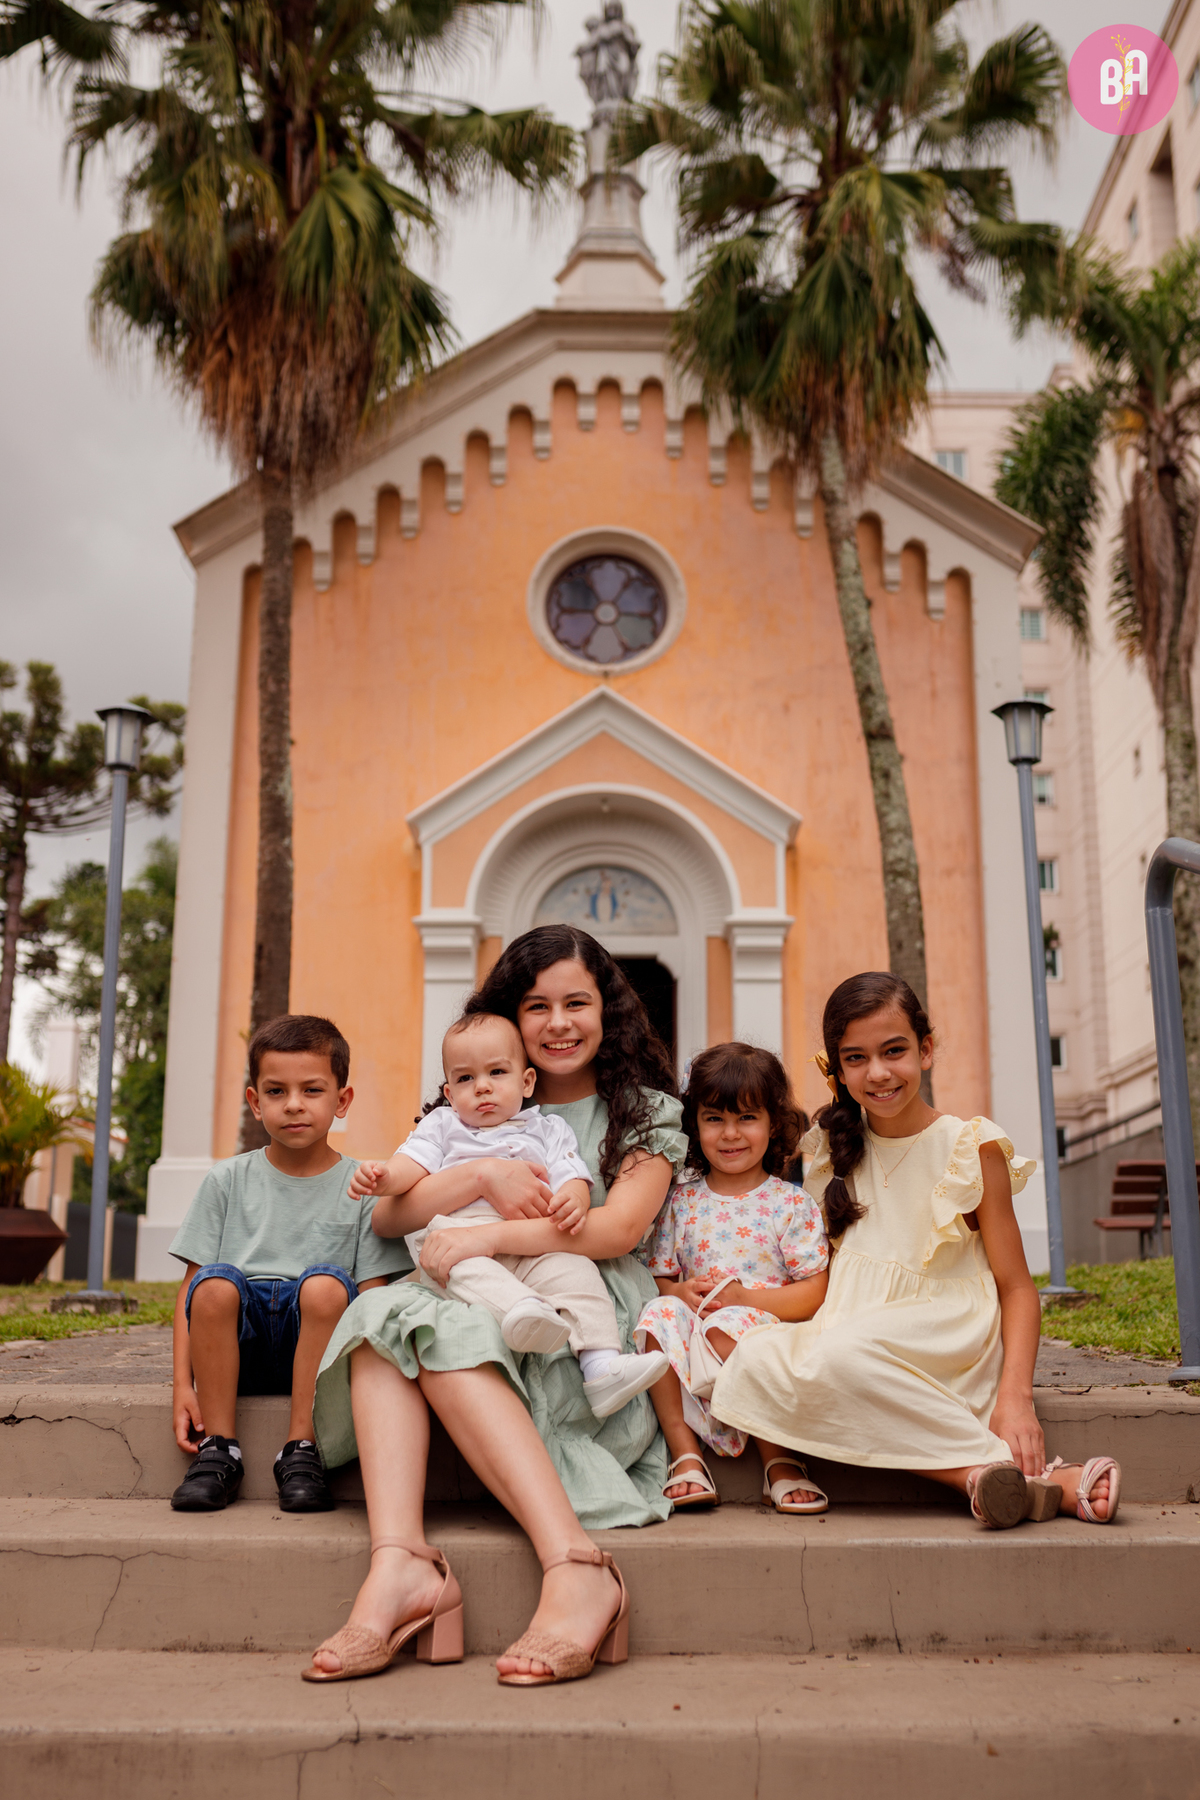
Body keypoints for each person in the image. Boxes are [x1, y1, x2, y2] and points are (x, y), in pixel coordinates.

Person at [306, 926, 687, 1686]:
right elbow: (387, 1218)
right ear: (509, 1019)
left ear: (607, 1011)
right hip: (474, 1282)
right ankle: (400, 1562)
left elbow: (614, 1230)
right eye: (536, 1005)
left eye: (577, 1002)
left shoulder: (643, 1112)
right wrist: (481, 1180)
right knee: (386, 1317)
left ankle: (575, 1565)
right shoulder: (465, 1113)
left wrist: (493, 1234)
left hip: (577, 1302)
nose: (557, 1022)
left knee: (434, 1315)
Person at [710, 972, 1123, 1529]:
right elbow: (823, 1280)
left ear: (926, 1050)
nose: (877, 1073)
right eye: (855, 1058)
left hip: (942, 1331)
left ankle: (1022, 1475)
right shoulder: (827, 1152)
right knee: (753, 1351)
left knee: (839, 1355)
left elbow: (1018, 1288)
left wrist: (1016, 1398)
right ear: (836, 1069)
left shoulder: (969, 1147)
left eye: (894, 1051)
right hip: (850, 1328)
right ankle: (998, 1480)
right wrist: (736, 1299)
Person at [350, 1010, 669, 1416]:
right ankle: (522, 1311)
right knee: (466, 1272)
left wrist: (575, 1199)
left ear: (526, 1081)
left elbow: (571, 1172)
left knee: (578, 1274)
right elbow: (410, 1167)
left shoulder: (548, 1129)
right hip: (459, 1234)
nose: (482, 1088)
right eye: (466, 1079)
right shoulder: (443, 1126)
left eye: (497, 1072)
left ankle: (601, 1366)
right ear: (449, 1093)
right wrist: (382, 1176)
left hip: (533, 1243)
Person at [168, 1014, 406, 1514]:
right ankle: (219, 1450)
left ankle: (302, 1450)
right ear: (255, 1102)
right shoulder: (226, 1181)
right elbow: (188, 1295)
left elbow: (374, 1300)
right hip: (239, 1351)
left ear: (341, 1101)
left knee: (325, 1285)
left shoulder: (365, 1188)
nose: (294, 1104)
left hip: (320, 1358)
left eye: (312, 1090)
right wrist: (181, 1387)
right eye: (276, 1091)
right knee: (213, 1284)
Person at [635, 1043, 830, 1512]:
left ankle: (779, 1457)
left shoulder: (789, 1204)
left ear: (774, 1124)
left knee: (730, 1329)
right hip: (695, 1336)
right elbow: (659, 1276)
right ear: (694, 1125)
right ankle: (685, 1454)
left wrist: (747, 1299)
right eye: (714, 1118)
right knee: (653, 1314)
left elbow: (815, 1292)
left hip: (762, 1337)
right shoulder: (680, 1201)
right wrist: (678, 1293)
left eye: (746, 1118)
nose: (730, 1134)